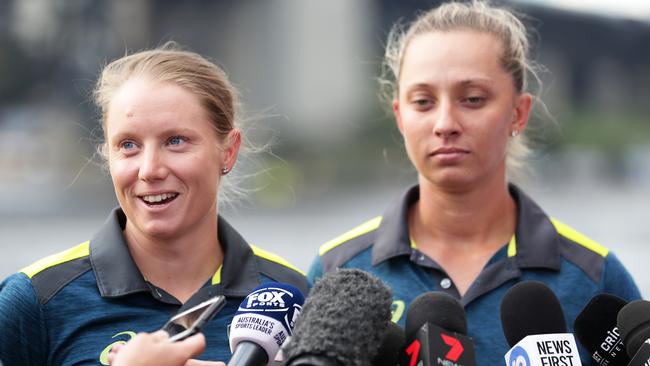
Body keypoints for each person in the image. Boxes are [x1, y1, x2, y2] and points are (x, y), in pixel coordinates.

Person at [307, 1, 641, 364]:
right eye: (423, 101)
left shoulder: (595, 277)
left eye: (473, 99)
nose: (445, 122)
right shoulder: (336, 271)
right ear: (400, 117)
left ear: (519, 112)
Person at [0, 43, 308, 365]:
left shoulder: (292, 295)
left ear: (228, 151)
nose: (149, 170)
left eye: (175, 141)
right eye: (128, 145)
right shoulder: (35, 300)